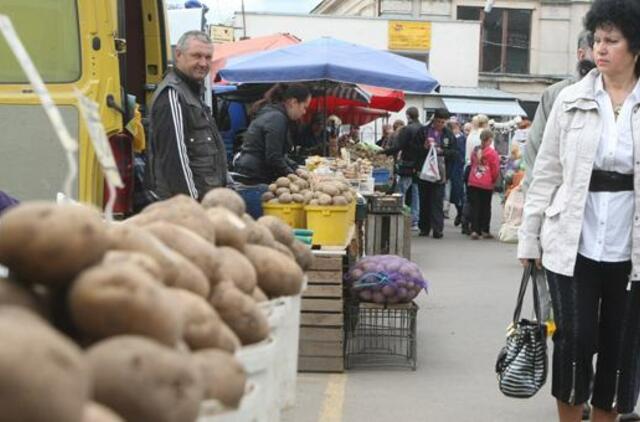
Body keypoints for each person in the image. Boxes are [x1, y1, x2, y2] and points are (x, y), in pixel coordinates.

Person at [518, 1, 640, 421]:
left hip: (631, 249)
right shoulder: (571, 99)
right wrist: (529, 236)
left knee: (620, 347)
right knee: (573, 339)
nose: (600, 49)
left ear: (635, 45)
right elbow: (546, 172)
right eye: (596, 40)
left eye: (612, 41)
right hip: (572, 241)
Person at [145, 31, 227, 201]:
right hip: (184, 207)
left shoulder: (192, 92)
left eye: (208, 57)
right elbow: (175, 160)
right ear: (178, 55)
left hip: (205, 202)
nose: (203, 63)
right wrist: (191, 206)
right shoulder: (172, 94)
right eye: (196, 56)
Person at [523, 30, 596, 192]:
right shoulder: (556, 94)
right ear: (581, 54)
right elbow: (535, 149)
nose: (602, 51)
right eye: (596, 44)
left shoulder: (623, 94)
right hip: (561, 198)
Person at [233, 83, 311, 185]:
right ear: (293, 102)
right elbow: (274, 157)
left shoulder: (274, 113)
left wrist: (296, 168)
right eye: (304, 107)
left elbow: (278, 153)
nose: (304, 112)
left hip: (250, 171)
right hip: (254, 176)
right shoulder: (277, 118)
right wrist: (294, 178)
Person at [416, 108, 458, 238]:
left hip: (441, 172)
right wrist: (424, 148)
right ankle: (424, 227)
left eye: (443, 122)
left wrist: (442, 151)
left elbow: (455, 152)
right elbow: (414, 149)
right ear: (434, 119)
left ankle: (437, 229)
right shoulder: (423, 131)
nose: (440, 124)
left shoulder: (448, 134)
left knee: (437, 201)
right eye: (439, 121)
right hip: (424, 171)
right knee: (424, 200)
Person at [381, 107, 422, 230]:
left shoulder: (407, 129)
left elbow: (400, 146)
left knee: (401, 190)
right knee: (415, 192)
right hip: (419, 164)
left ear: (408, 116)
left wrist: (384, 152)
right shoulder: (423, 128)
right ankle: (415, 219)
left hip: (407, 163)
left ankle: (400, 214)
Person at [467, 129, 499, 240]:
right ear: (490, 140)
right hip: (486, 183)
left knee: (474, 206)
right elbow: (495, 169)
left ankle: (474, 230)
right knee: (485, 207)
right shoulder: (492, 153)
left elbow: (471, 162)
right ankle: (484, 230)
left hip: (473, 180)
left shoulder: (475, 150)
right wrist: (493, 180)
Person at [447, 117, 466, 226]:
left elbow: (461, 154)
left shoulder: (461, 138)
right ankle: (459, 212)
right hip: (450, 168)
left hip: (457, 169)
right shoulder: (449, 136)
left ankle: (460, 213)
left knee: (457, 193)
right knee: (450, 194)